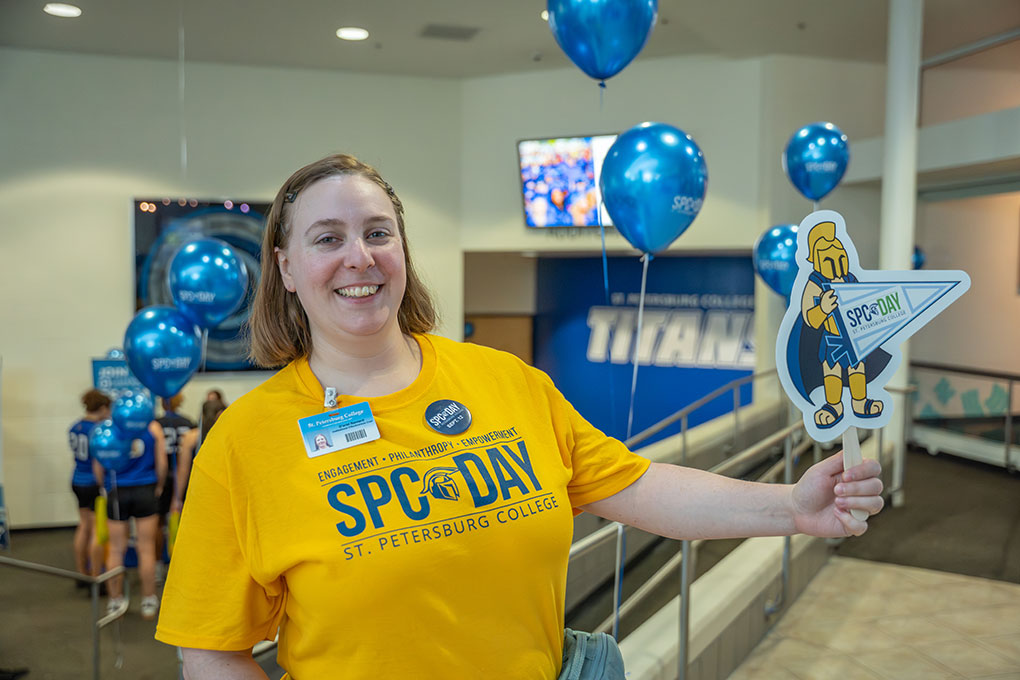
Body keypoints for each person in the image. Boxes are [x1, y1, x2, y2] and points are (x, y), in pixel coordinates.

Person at [156, 154, 884, 679]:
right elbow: (210, 649)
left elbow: (637, 487)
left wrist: (792, 505)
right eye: (327, 239)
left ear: (403, 249)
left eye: (379, 232)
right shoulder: (247, 442)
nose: (360, 258)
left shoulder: (503, 379)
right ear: (284, 268)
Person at [104, 418, 167, 620]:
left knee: (115, 548)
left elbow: (100, 462)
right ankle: (148, 600)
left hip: (117, 490)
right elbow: (162, 463)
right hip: (145, 489)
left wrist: (106, 488)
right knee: (146, 547)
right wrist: (159, 486)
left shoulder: (110, 428)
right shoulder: (153, 427)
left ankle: (115, 601)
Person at [68, 388, 111, 587]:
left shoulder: (74, 426)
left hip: (77, 480)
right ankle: (95, 577)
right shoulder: (98, 430)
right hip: (93, 482)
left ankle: (81, 572)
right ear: (102, 408)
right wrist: (102, 486)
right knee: (96, 529)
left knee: (83, 525)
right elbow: (98, 463)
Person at [155, 394, 196, 567]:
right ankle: (182, 562)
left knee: (158, 522)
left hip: (162, 477)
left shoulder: (155, 424)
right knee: (185, 520)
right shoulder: (188, 423)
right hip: (185, 477)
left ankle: (157, 564)